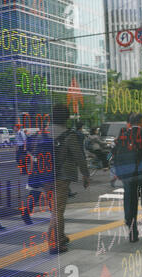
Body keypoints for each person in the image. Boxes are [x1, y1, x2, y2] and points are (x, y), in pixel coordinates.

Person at [49, 104, 90, 254]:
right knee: (58, 210)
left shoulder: (44, 133)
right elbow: (79, 156)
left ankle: (60, 236)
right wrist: (85, 175)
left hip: (46, 176)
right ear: (66, 118)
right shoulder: (69, 135)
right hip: (61, 177)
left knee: (54, 209)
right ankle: (55, 244)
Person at [114, 113, 142, 242]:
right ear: (141, 122)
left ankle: (132, 234)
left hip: (128, 175)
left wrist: (118, 171)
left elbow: (113, 154)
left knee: (130, 203)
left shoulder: (122, 135)